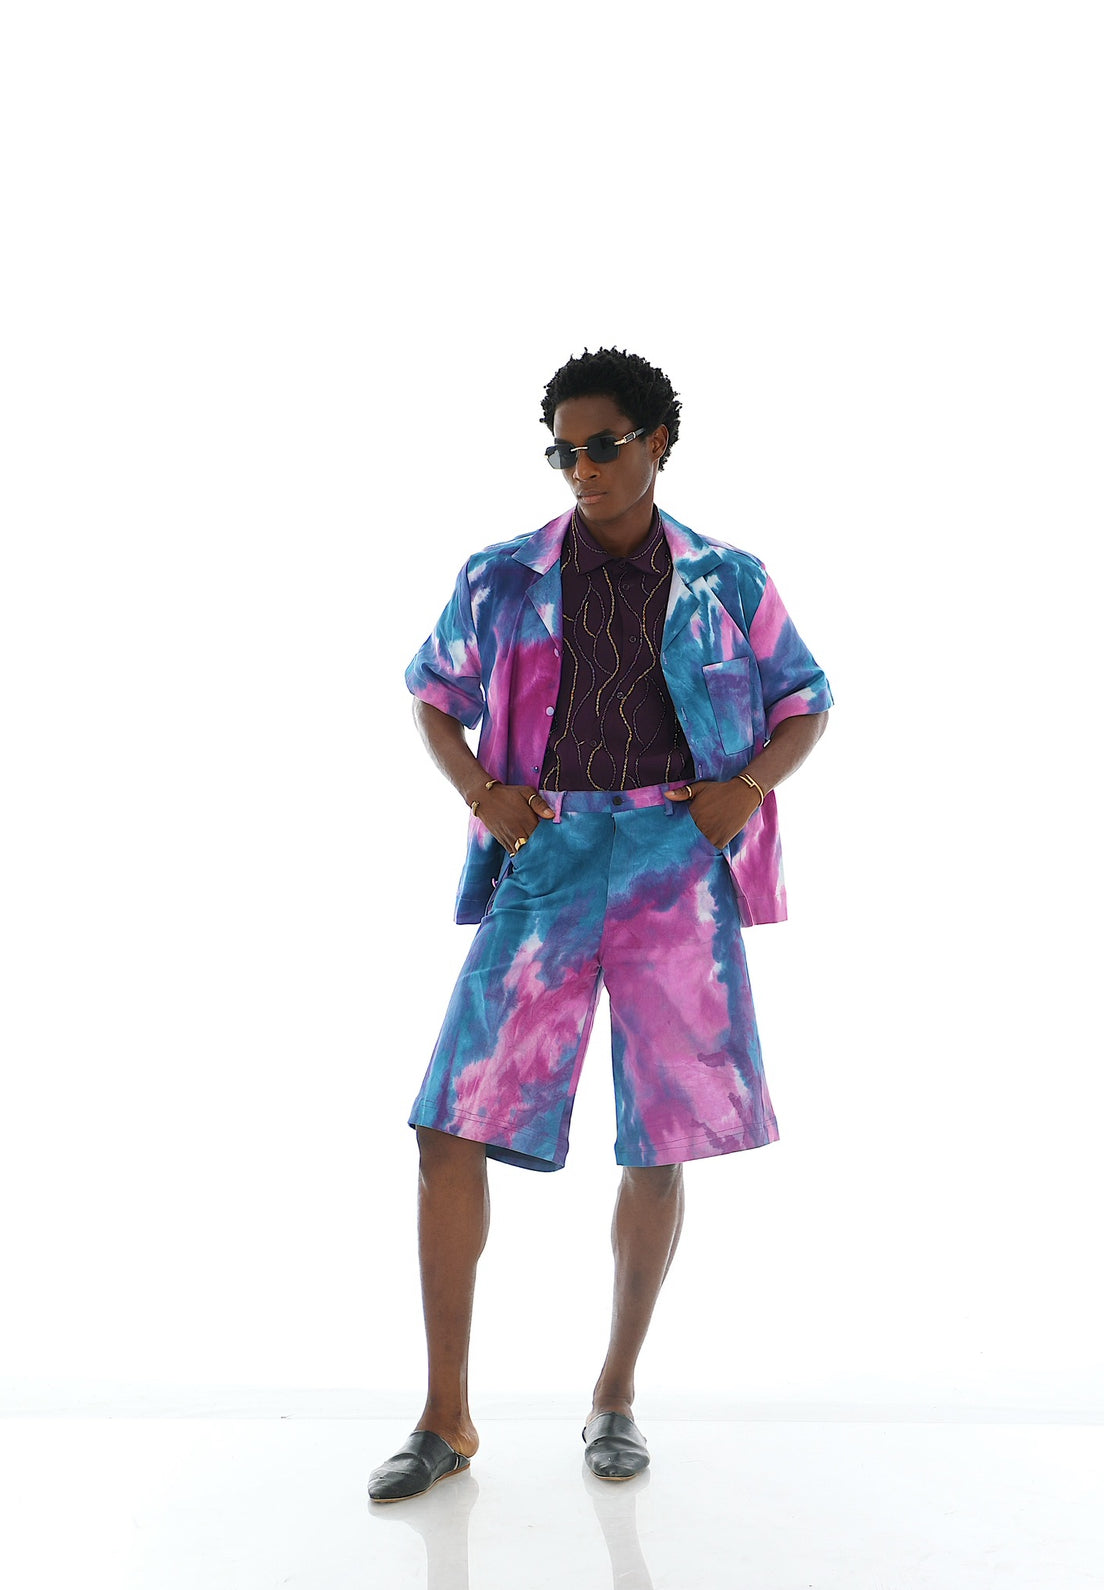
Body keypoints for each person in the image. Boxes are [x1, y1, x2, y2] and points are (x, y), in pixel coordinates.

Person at [368, 348, 833, 1502]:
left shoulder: (728, 578)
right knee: (446, 1127)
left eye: (604, 445)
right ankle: (444, 1417)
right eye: (564, 451)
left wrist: (743, 792)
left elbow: (807, 700)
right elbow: (433, 695)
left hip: (677, 863)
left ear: (657, 441)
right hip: (550, 851)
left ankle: (616, 1396)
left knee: (658, 1140)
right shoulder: (503, 576)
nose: (583, 469)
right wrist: (485, 794)